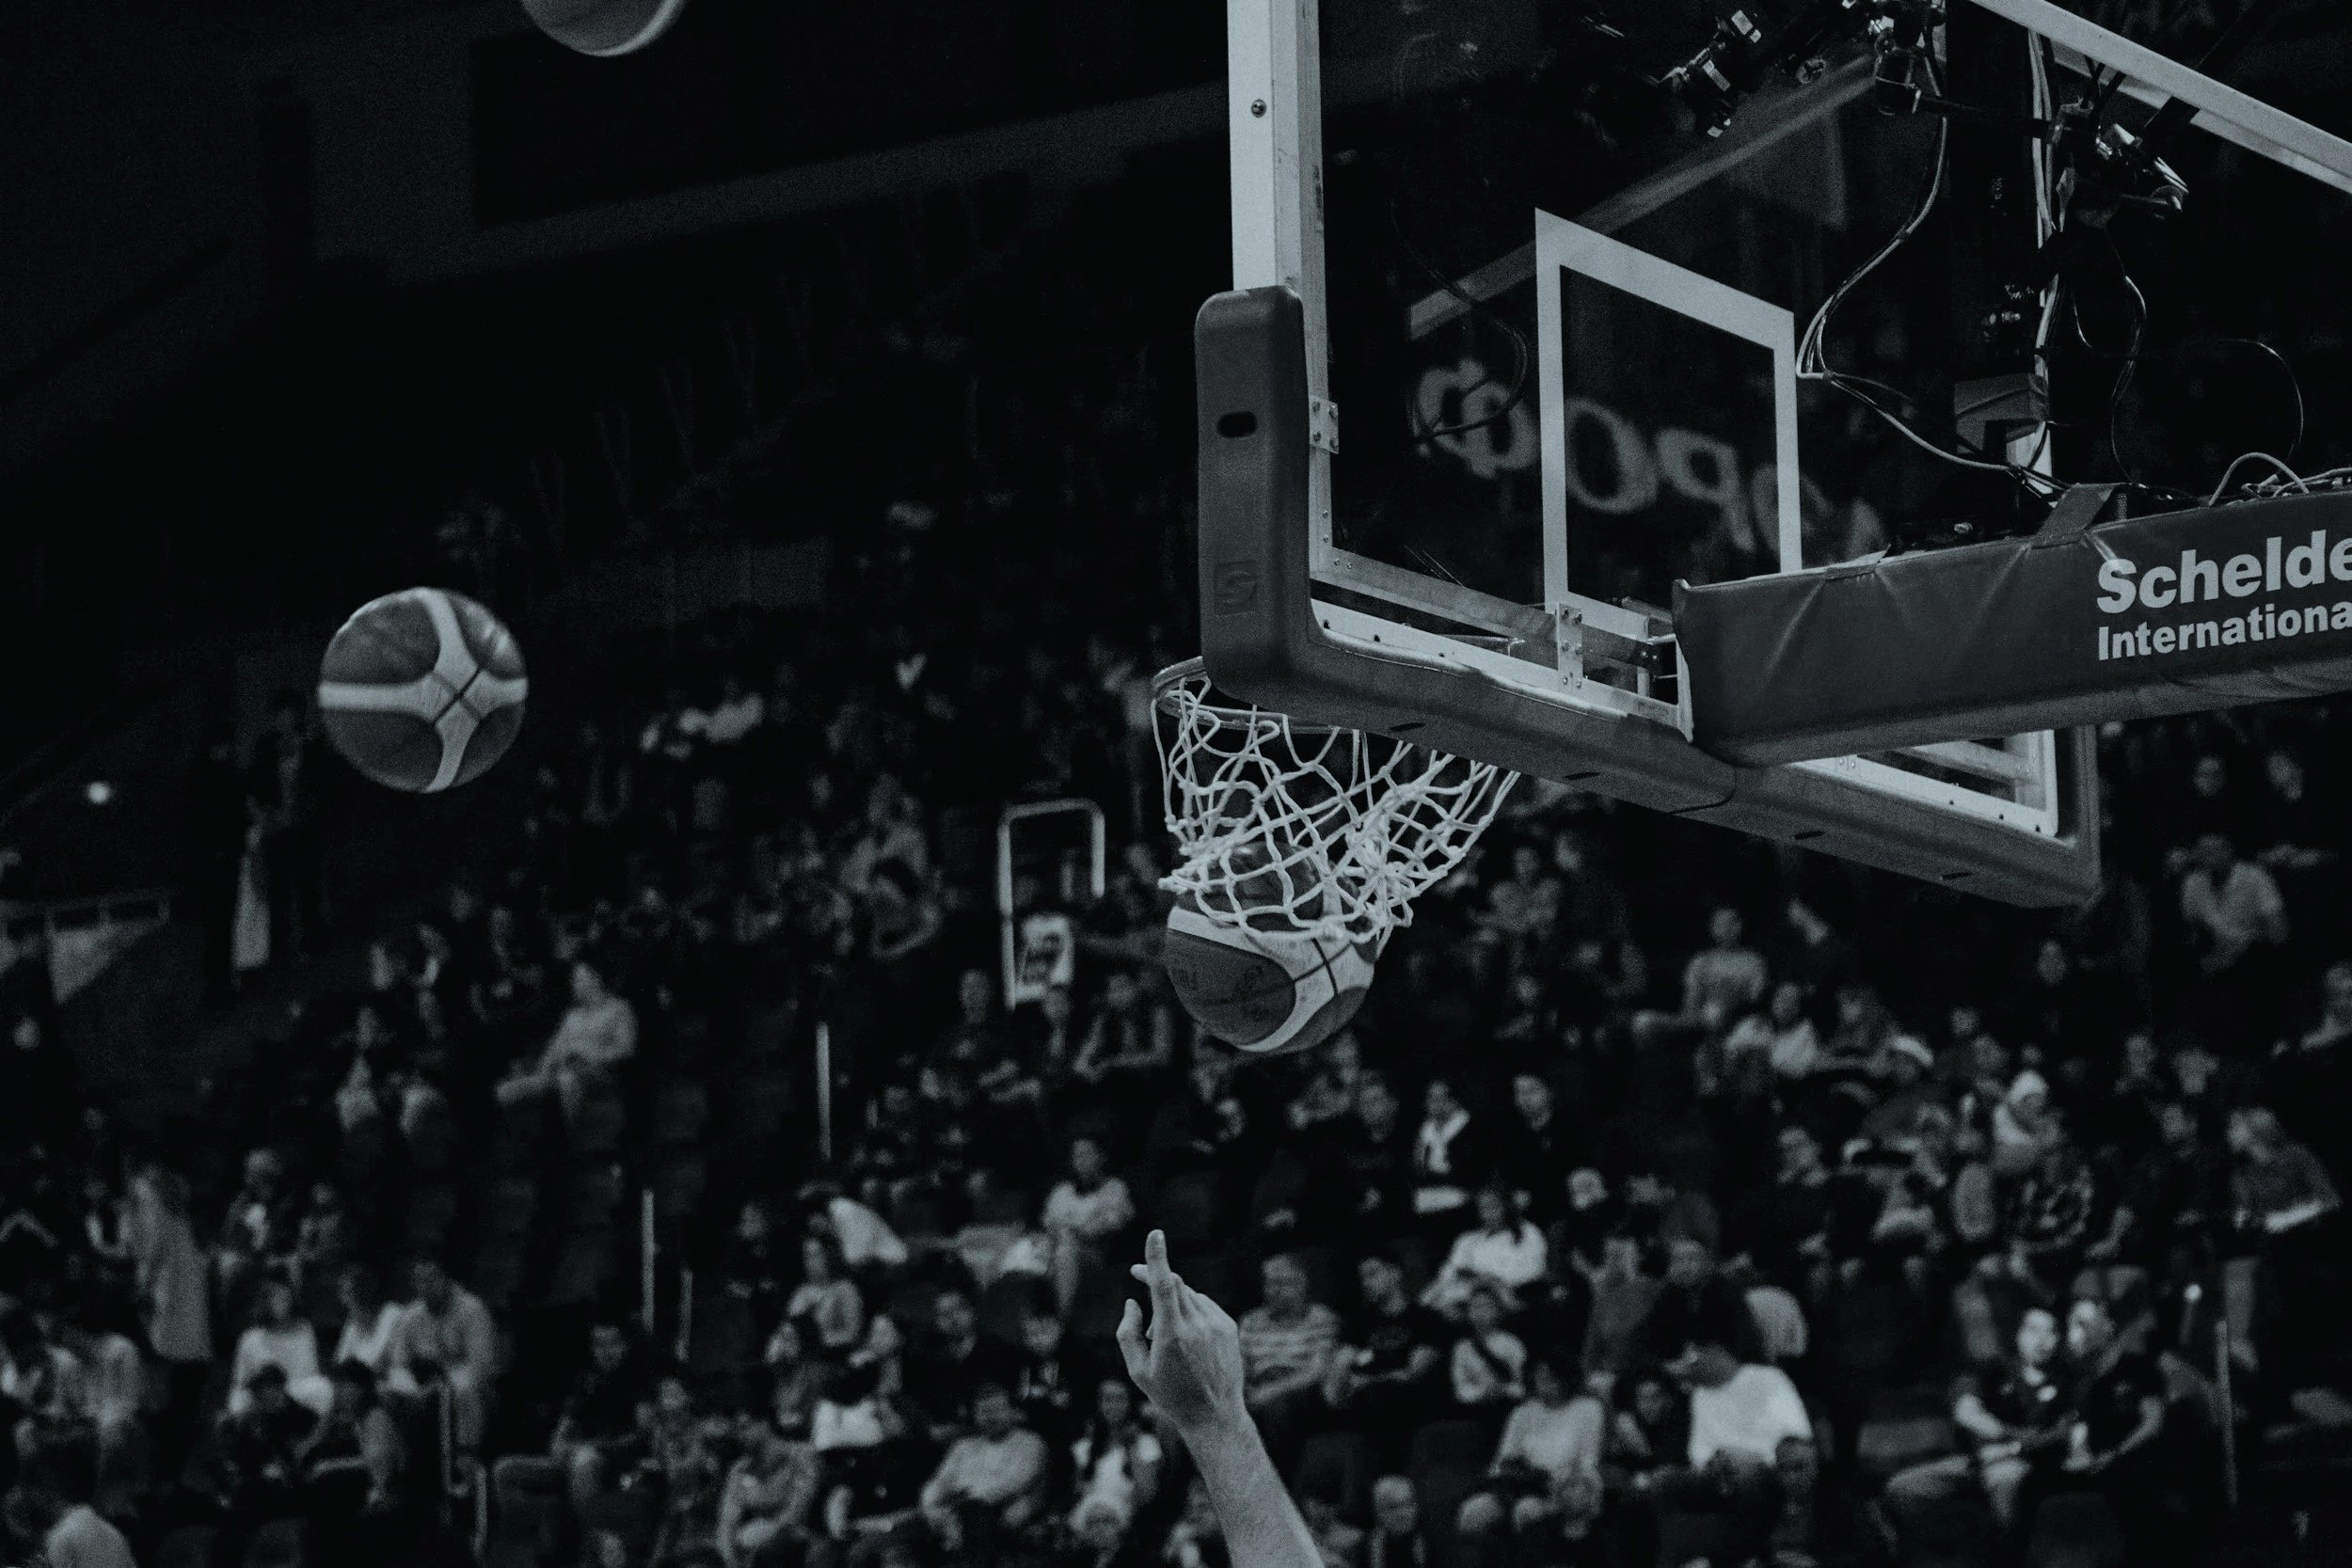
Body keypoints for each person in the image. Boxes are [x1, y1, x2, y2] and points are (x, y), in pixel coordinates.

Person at [1116, 1229, 1329, 1568]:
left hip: (1294, 1398)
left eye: (1282, 1282)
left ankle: (1281, 1485)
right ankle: (1177, 1497)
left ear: (1303, 1283)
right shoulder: (1252, 1320)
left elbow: (1318, 1371)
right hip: (1251, 1392)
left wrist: (1242, 1402)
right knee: (1164, 1421)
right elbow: (1235, 1366)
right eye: (1269, 1282)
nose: (1274, 1289)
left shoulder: (1322, 1319)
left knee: (1276, 1409)